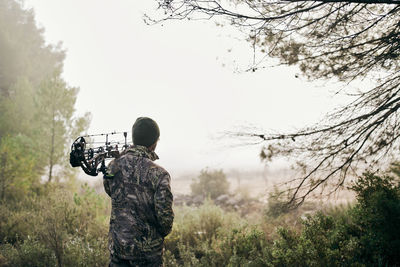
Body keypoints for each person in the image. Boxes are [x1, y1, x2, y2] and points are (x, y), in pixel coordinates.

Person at [103, 117, 174, 267]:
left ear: (133, 138)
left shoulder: (113, 166)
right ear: (154, 143)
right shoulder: (160, 175)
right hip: (148, 258)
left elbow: (110, 190)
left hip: (118, 252)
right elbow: (165, 221)